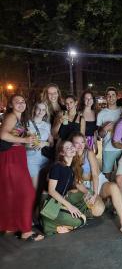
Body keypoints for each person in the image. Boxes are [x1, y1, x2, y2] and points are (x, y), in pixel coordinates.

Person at [72, 132, 122, 240]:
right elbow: (76, 182)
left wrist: (95, 194)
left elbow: (95, 175)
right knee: (98, 211)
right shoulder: (70, 156)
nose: (80, 145)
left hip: (98, 182)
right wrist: (88, 193)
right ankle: (103, 201)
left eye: (82, 142)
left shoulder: (89, 153)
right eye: (76, 143)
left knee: (114, 187)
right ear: (71, 144)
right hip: (84, 187)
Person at [0, 94, 43, 241]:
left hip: (17, 156)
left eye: (23, 101)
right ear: (11, 105)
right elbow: (3, 135)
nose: (21, 104)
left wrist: (28, 142)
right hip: (11, 158)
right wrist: (24, 139)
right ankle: (26, 231)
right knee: (28, 192)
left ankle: (10, 226)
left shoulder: (20, 119)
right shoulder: (11, 116)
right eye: (17, 102)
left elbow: (16, 138)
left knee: (11, 192)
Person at [41, 140, 89, 236]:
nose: (71, 148)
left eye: (72, 146)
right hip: (49, 203)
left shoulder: (71, 168)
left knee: (86, 198)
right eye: (67, 148)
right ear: (62, 153)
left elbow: (75, 184)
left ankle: (64, 222)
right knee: (81, 220)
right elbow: (51, 191)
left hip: (60, 200)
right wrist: (70, 206)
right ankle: (51, 225)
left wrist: (88, 193)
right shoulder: (57, 167)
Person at [26, 101, 54, 189]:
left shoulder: (47, 125)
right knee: (34, 186)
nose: (41, 111)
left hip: (44, 158)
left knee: (43, 184)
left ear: (46, 112)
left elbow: (52, 143)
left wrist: (44, 143)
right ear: (34, 110)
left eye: (43, 110)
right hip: (31, 157)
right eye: (38, 109)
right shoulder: (27, 123)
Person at [97, 87, 122, 180]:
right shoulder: (101, 114)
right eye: (108, 95)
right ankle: (107, 192)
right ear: (106, 97)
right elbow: (100, 135)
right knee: (107, 176)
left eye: (113, 95)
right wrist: (105, 129)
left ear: (117, 97)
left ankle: (121, 193)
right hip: (108, 148)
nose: (111, 97)